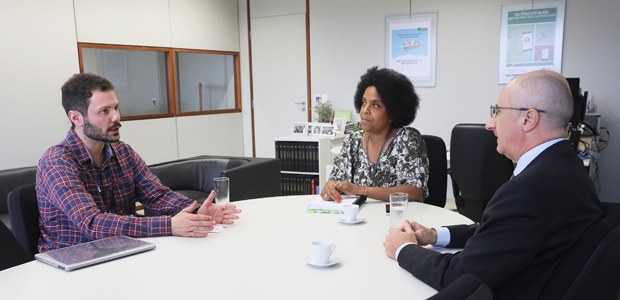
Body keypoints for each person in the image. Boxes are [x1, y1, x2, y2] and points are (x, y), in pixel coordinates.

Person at [383, 70, 603, 299]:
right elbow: (500, 232)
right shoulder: (567, 168)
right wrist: (434, 235)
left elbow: (461, 276)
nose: (490, 124)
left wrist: (403, 249)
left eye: (497, 112)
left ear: (528, 119)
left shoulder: (528, 190)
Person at [36, 73, 241, 252]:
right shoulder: (57, 162)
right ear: (76, 117)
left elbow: (157, 196)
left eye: (116, 108)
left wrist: (197, 211)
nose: (116, 117)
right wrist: (169, 225)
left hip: (122, 251)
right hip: (72, 262)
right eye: (104, 111)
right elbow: (92, 223)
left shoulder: (123, 152)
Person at [321, 66, 428, 202]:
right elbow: (335, 181)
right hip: (359, 219)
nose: (365, 110)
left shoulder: (408, 139)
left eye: (376, 105)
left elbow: (414, 191)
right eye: (364, 102)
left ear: (393, 113)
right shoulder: (352, 141)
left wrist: (361, 190)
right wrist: (330, 188)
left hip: (398, 218)